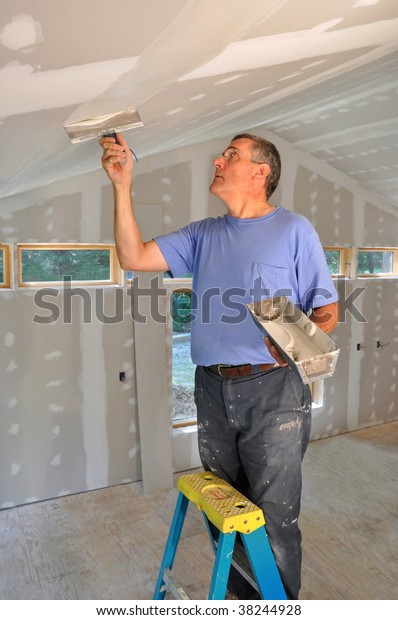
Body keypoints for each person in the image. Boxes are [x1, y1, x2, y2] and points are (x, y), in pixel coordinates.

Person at [100, 132, 339, 600]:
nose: (218, 159)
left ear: (259, 173)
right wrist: (122, 185)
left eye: (231, 155)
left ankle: (275, 604)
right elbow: (132, 256)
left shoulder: (294, 229)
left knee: (274, 511)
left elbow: (326, 307)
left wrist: (298, 344)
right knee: (222, 503)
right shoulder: (202, 234)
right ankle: (236, 597)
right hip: (211, 387)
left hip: (275, 392)